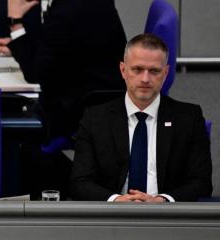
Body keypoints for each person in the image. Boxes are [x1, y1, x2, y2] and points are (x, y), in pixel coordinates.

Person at [0, 0, 127, 198]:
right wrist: (22, 45)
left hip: (82, 106)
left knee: (9, 127)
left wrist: (16, 22)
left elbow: (35, 71)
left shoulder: (67, 11)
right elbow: (59, 44)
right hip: (99, 90)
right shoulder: (75, 6)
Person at [70, 34, 212, 202]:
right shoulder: (95, 118)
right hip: (112, 218)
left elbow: (201, 182)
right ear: (123, 70)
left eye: (154, 71)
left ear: (165, 73)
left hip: (166, 217)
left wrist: (162, 200)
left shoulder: (189, 118)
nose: (145, 79)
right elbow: (80, 182)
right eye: (137, 69)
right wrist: (116, 200)